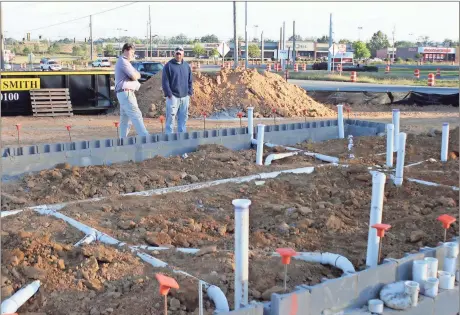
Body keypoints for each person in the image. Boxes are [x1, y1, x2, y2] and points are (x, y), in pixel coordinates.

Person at [115, 43, 149, 138]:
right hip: (126, 93)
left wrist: (137, 74)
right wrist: (136, 75)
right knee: (136, 115)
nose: (133, 54)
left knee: (125, 119)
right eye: (132, 52)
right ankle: (146, 138)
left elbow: (137, 75)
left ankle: (122, 141)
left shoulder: (125, 62)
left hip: (125, 93)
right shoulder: (123, 62)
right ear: (125, 50)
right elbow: (135, 76)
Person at [162, 46, 193, 134]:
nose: (178, 55)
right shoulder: (168, 66)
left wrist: (189, 93)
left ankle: (182, 135)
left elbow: (190, 80)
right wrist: (169, 95)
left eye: (180, 53)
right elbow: (165, 82)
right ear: (174, 54)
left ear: (183, 54)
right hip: (173, 97)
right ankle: (169, 136)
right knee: (171, 117)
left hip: (184, 96)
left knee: (183, 117)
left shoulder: (186, 66)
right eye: (177, 53)